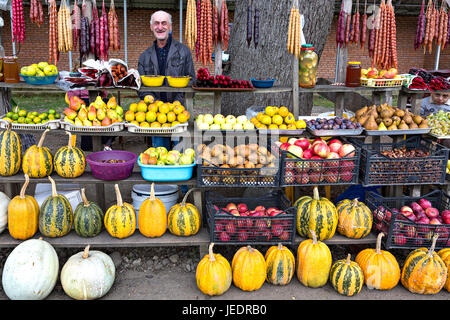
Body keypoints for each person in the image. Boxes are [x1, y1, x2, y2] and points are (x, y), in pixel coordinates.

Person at [137, 10, 195, 149]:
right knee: (159, 155)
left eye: (164, 23)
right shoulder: (144, 56)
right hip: (155, 115)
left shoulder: (184, 51)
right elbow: (140, 86)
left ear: (170, 27)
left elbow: (192, 80)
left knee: (179, 156)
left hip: (179, 112)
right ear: (151, 27)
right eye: (156, 23)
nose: (160, 27)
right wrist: (154, 104)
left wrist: (178, 102)